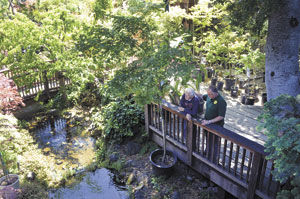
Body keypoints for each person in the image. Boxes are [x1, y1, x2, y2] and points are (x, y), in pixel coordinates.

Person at [201, 85, 227, 163]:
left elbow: (221, 116)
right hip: (206, 123)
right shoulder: (209, 96)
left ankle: (213, 158)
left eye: (211, 94)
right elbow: (203, 97)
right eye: (208, 94)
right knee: (208, 138)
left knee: (215, 142)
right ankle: (207, 151)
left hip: (216, 125)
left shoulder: (221, 102)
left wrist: (209, 121)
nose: (209, 96)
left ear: (216, 93)